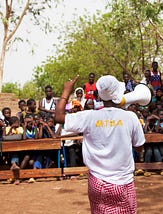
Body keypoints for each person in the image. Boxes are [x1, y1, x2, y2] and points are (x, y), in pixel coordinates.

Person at [55, 75, 145, 213]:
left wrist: (67, 90)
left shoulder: (89, 116)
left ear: (100, 96)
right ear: (118, 94)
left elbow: (59, 117)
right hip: (123, 183)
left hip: (97, 183)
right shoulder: (130, 117)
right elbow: (139, 147)